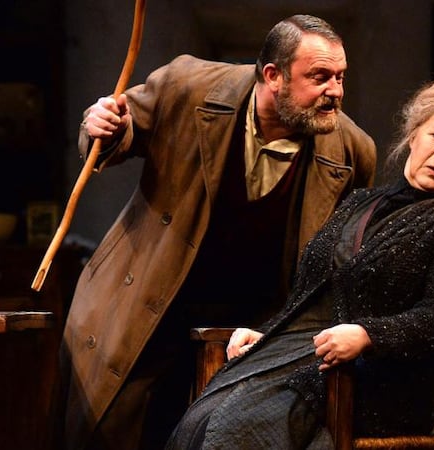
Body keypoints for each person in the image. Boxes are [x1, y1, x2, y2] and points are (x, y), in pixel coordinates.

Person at [59, 14, 376, 450]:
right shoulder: (189, 86)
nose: (335, 92)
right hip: (145, 301)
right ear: (273, 76)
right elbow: (119, 130)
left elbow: (337, 265)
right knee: (112, 432)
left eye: (340, 77)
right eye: (319, 77)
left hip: (249, 331)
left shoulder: (352, 151)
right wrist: (105, 127)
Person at [165, 75, 434, 449]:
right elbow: (316, 293)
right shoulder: (360, 202)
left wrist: (368, 336)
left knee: (243, 420)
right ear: (414, 133)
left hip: (383, 379)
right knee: (205, 415)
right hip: (307, 357)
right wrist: (268, 332)